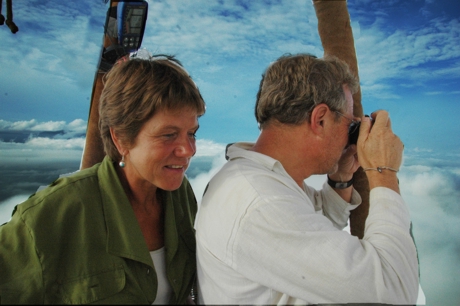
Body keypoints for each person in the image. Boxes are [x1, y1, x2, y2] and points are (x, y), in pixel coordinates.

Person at [195, 53, 419, 304]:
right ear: (320, 119)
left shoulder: (261, 178)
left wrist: (342, 177)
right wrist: (384, 170)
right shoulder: (261, 202)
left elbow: (311, 229)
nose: (349, 136)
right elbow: (394, 287)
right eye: (349, 124)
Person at [0, 52, 206, 304]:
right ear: (120, 138)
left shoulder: (180, 194)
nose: (188, 150)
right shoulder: (50, 215)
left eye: (192, 134)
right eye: (168, 135)